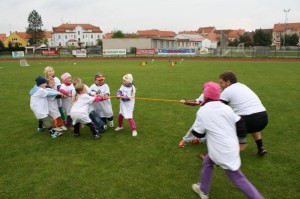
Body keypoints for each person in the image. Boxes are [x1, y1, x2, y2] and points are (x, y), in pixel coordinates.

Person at [191, 82, 264, 199]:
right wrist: (242, 141)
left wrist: (209, 126)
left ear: (205, 96)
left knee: (237, 178)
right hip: (229, 146)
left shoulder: (203, 110)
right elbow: (240, 123)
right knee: (208, 162)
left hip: (222, 151)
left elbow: (197, 133)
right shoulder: (227, 108)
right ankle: (203, 190)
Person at [219, 71, 268, 156]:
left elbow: (218, 108)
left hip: (248, 120)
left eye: (221, 83)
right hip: (263, 118)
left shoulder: (227, 91)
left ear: (228, 82)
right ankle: (261, 147)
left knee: (225, 126)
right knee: (253, 125)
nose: (220, 85)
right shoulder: (242, 86)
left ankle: (220, 154)